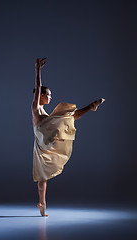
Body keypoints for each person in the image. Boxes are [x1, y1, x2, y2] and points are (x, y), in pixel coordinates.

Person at [32, 58, 105, 217]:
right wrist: (38, 70)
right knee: (42, 177)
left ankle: (91, 106)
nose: (50, 97)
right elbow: (37, 87)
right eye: (48, 95)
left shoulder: (46, 114)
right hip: (41, 145)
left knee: (66, 115)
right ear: (42, 95)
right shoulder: (36, 108)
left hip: (48, 144)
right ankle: (42, 204)